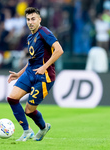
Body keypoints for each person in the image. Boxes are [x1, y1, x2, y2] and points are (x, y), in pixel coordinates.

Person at [7, 7, 64, 142]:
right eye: (28, 19)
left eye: (33, 19)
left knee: (29, 111)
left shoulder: (44, 32)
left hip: (44, 77)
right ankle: (27, 131)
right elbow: (32, 60)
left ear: (39, 19)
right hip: (30, 72)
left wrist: (44, 67)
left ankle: (43, 127)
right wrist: (19, 74)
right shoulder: (30, 36)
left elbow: (59, 50)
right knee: (12, 98)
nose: (30, 22)